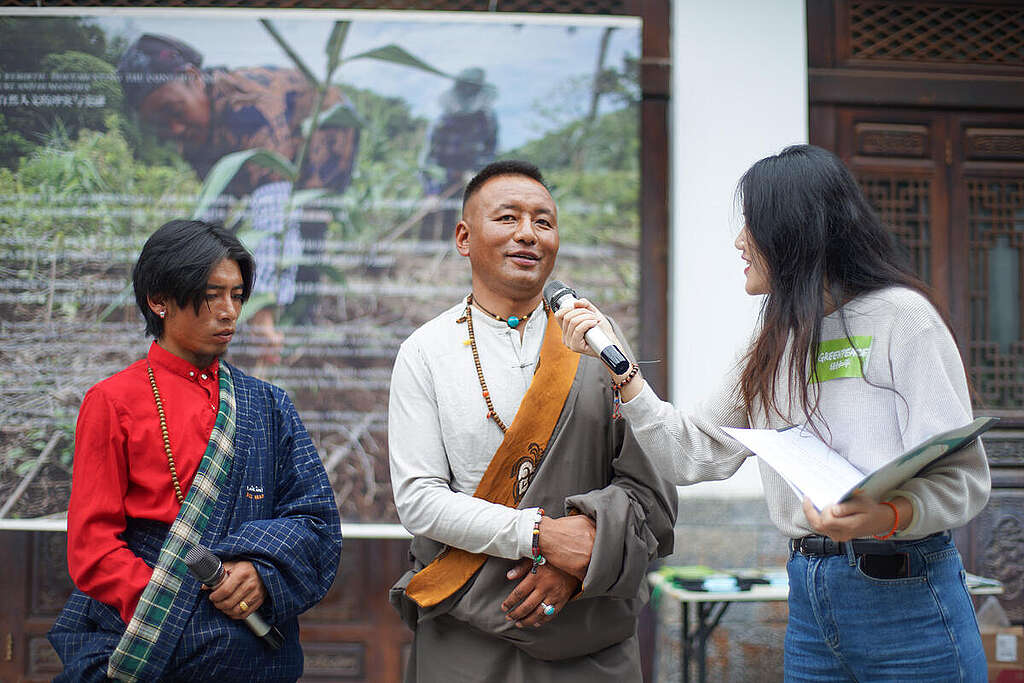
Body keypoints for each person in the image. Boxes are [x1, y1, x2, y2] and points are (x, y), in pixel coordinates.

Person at [556, 144, 991, 681]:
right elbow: (693, 455)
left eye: (752, 224)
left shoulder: (903, 320)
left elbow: (965, 478)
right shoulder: (773, 340)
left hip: (906, 595)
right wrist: (621, 372)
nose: (740, 241)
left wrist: (886, 516)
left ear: (794, 231)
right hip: (809, 597)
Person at [387, 160, 677, 681]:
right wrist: (540, 536)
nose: (528, 235)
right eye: (508, 218)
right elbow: (419, 499)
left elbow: (651, 490)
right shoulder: (426, 350)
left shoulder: (596, 340)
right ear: (464, 237)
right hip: (467, 625)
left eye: (543, 222)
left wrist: (578, 565)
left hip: (588, 629)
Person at [48, 219, 343, 682]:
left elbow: (315, 522)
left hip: (255, 649)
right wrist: (176, 608)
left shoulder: (268, 404)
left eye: (237, 295)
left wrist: (259, 573)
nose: (229, 312)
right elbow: (93, 547)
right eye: (211, 295)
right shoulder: (112, 401)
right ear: (159, 300)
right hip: (151, 640)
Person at [118, 33, 362, 351]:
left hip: (326, 131)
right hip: (269, 141)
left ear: (193, 79)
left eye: (174, 111)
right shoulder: (191, 132)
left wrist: (262, 311)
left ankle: (296, 327)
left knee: (308, 222)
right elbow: (213, 214)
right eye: (160, 125)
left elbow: (275, 211)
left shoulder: (247, 107)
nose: (174, 129)